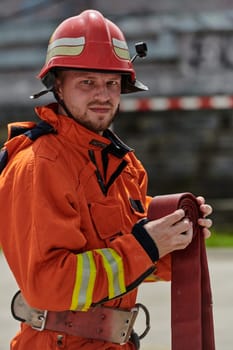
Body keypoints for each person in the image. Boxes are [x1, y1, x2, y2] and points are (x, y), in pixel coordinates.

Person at [0, 9, 212, 350]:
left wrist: (179, 239)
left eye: (112, 83)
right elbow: (48, 284)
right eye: (87, 82)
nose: (102, 94)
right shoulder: (40, 165)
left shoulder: (125, 167)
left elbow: (128, 265)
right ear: (58, 85)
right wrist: (147, 244)